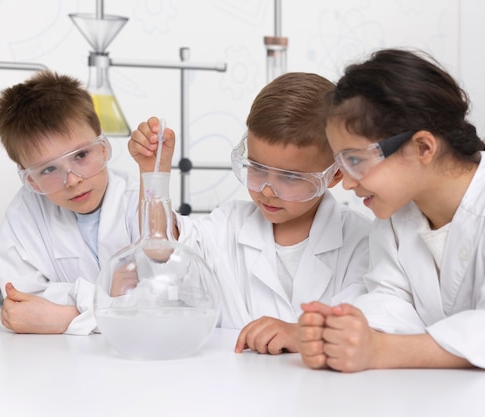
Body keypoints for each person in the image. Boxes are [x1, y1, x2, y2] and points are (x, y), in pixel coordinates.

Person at [297, 48, 485, 375]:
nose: (347, 184)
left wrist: (380, 350)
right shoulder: (395, 212)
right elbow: (391, 299)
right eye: (341, 163)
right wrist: (338, 331)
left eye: (355, 160)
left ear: (423, 147)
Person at [128, 72, 371, 354]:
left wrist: (303, 334)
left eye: (290, 177)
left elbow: (367, 323)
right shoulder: (227, 225)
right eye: (256, 168)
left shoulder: (361, 242)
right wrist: (153, 173)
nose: (268, 190)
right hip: (234, 389)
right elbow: (161, 251)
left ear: (334, 174)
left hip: (323, 392)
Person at [0, 70, 170, 335]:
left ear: (104, 147)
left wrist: (64, 318)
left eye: (81, 155)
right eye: (49, 170)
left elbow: (163, 300)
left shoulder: (141, 199)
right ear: (31, 181)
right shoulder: (24, 214)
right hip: (58, 363)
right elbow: (23, 304)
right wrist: (110, 295)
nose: (72, 180)